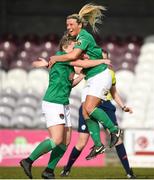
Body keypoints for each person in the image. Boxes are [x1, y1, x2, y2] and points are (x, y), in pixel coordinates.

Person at [19, 34, 112, 179]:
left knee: (66, 141)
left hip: (63, 103)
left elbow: (71, 83)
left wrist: (81, 76)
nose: (76, 49)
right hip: (53, 102)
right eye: (73, 47)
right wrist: (102, 61)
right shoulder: (62, 57)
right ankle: (28, 161)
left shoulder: (65, 61)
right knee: (56, 140)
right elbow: (84, 64)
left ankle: (48, 171)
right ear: (64, 47)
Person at [48, 3, 122, 160]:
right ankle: (98, 144)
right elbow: (77, 59)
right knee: (85, 111)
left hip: (101, 75)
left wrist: (56, 58)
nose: (68, 27)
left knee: (89, 107)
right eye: (67, 24)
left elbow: (73, 57)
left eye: (71, 24)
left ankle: (114, 130)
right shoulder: (78, 39)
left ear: (79, 25)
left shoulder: (84, 36)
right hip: (92, 76)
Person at [60, 69, 136, 179]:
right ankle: (67, 169)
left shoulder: (110, 73)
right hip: (89, 103)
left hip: (105, 104)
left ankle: (129, 172)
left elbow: (114, 93)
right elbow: (76, 67)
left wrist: (123, 107)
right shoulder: (90, 68)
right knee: (82, 141)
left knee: (117, 140)